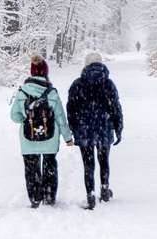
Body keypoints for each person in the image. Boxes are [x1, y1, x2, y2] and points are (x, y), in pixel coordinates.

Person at [10, 55, 73, 208]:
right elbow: (60, 118)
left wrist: (27, 119)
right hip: (50, 138)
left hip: (28, 138)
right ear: (46, 72)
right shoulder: (51, 93)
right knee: (49, 166)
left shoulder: (22, 93)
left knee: (31, 169)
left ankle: (35, 198)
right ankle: (49, 196)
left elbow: (14, 116)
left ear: (31, 72)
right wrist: (68, 138)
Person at [67, 51, 123, 210]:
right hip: (104, 128)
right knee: (104, 161)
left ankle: (90, 195)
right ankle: (104, 190)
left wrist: (73, 127)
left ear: (86, 64)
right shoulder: (108, 84)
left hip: (84, 130)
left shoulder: (77, 84)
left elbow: (71, 108)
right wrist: (118, 128)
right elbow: (116, 108)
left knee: (88, 164)